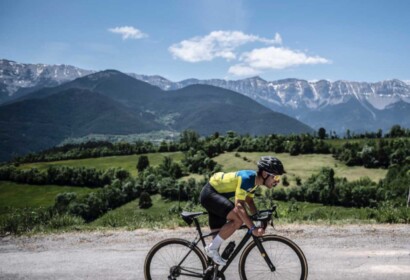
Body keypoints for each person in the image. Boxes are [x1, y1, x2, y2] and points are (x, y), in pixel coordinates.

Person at [199, 155, 285, 265]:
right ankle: (211, 249)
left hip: (216, 197)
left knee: (217, 241)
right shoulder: (247, 179)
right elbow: (239, 206)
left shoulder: (255, 183)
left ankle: (210, 272)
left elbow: (249, 201)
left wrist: (258, 219)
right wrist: (253, 228)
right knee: (238, 220)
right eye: (275, 177)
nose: (277, 181)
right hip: (210, 194)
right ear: (264, 174)